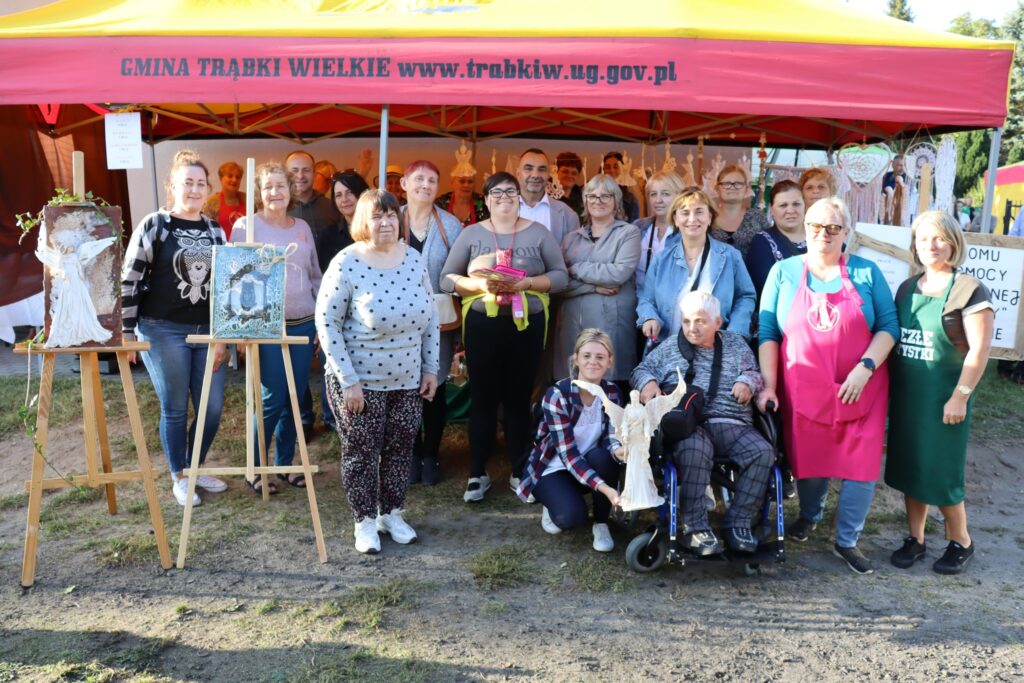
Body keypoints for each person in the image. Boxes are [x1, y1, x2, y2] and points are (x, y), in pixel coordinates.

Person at [758, 196, 899, 575]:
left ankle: (847, 540)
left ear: (846, 233)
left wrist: (865, 367)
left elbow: (889, 327)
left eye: (833, 227)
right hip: (804, 391)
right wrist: (769, 386)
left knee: (860, 465)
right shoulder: (784, 272)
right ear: (805, 229)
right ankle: (809, 515)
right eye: (816, 226)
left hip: (861, 388)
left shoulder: (867, 273)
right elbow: (769, 332)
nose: (824, 233)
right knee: (810, 462)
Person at [316, 189, 439, 554]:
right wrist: (348, 380)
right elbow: (327, 324)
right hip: (360, 381)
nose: (385, 223)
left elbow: (430, 319)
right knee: (361, 453)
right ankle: (365, 522)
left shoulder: (414, 260)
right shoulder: (347, 262)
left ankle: (392, 513)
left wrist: (431, 368)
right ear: (362, 222)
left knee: (401, 448)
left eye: (390, 216)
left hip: (407, 379)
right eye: (376, 216)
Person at [440, 171, 568, 503]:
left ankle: (520, 470)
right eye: (496, 192)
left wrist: (525, 284)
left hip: (526, 327)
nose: (504, 197)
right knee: (482, 398)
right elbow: (447, 278)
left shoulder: (539, 233)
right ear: (486, 198)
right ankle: (476, 473)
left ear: (519, 197)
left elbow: (560, 276)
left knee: (518, 398)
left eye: (511, 191)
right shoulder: (470, 234)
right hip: (483, 328)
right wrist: (482, 284)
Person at [885, 211, 994, 575]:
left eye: (939, 238)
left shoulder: (969, 290)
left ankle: (961, 540)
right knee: (911, 466)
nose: (931, 246)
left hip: (945, 398)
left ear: (953, 242)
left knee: (941, 472)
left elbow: (979, 351)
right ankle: (915, 538)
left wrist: (960, 395)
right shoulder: (906, 288)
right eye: (923, 238)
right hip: (908, 396)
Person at [121, 150, 228, 507]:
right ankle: (179, 476)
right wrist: (125, 332)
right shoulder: (156, 224)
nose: (195, 189)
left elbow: (227, 287)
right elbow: (130, 279)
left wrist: (224, 336)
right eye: (188, 183)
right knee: (175, 408)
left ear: (208, 189)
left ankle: (194, 468)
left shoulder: (215, 230)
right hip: (162, 329)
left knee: (212, 408)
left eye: (200, 183)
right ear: (172, 186)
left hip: (208, 332)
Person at [632, 291, 772, 555]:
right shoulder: (671, 346)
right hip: (688, 425)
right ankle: (695, 527)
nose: (692, 328)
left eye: (700, 321)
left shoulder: (737, 346)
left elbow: (754, 373)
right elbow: (641, 370)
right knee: (696, 450)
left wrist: (748, 382)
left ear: (718, 322)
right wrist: (648, 382)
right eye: (686, 321)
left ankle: (738, 522)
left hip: (730, 420)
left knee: (762, 452)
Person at [233, 162, 322, 493]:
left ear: (291, 190)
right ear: (259, 191)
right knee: (271, 397)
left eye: (281, 186)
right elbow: (234, 281)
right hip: (265, 327)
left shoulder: (302, 228)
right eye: (268, 186)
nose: (275, 192)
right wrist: (242, 332)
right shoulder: (246, 227)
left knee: (295, 398)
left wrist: (319, 320)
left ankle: (285, 464)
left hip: (303, 322)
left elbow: (314, 274)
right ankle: (255, 468)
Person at [518, 328, 624, 552]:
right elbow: (569, 455)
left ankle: (601, 522)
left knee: (606, 458)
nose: (592, 362)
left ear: (609, 361)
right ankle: (552, 502)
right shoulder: (557, 395)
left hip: (587, 462)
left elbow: (611, 434)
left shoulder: (612, 392)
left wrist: (618, 450)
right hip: (552, 467)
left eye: (600, 357)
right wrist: (606, 488)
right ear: (576, 358)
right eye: (586, 356)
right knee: (570, 518)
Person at [400, 160, 463, 485]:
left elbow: (460, 271)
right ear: (404, 183)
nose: (425, 185)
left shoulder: (451, 226)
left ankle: (430, 456)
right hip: (396, 321)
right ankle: (411, 452)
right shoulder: (391, 219)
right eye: (419, 179)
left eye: (432, 180)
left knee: (433, 387)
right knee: (404, 389)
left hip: (439, 323)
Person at [636, 187, 756, 345]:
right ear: (676, 219)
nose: (692, 219)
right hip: (668, 348)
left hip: (717, 348)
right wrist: (650, 317)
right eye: (685, 213)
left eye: (699, 212)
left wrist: (735, 331)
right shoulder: (661, 259)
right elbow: (646, 299)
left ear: (710, 217)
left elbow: (745, 297)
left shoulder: (730, 256)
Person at [557, 174, 641, 386]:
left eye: (606, 196)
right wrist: (593, 286)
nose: (598, 201)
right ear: (585, 201)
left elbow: (619, 273)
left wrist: (576, 268)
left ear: (617, 201)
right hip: (573, 326)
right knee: (573, 386)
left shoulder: (629, 233)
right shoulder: (571, 238)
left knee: (611, 391)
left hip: (611, 325)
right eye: (592, 196)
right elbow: (560, 283)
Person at [286, 150, 341, 438]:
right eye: (294, 170)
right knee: (297, 361)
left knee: (328, 356)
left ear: (315, 172)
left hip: (329, 292)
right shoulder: (281, 207)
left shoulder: (329, 207)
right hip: (295, 297)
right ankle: (303, 418)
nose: (300, 176)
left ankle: (332, 415)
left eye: (305, 170)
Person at [315, 170, 370, 433]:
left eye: (350, 192)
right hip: (339, 315)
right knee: (337, 365)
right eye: (338, 195)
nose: (345, 199)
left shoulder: (376, 232)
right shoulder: (328, 235)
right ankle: (335, 419)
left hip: (370, 316)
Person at [744, 180, 807, 299]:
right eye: (783, 205)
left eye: (796, 204)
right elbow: (763, 291)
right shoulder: (761, 243)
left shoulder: (821, 237)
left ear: (804, 205)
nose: (790, 210)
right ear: (772, 210)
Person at [516, 148, 581, 248]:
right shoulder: (500, 209)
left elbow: (575, 259)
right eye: (528, 168)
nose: (535, 175)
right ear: (518, 174)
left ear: (549, 174)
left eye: (542, 169)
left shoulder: (568, 215)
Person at [634, 171, 685, 292]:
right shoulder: (638, 226)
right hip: (637, 303)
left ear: (679, 196)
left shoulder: (688, 231)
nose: (658, 200)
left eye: (665, 194)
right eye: (653, 194)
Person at [710, 164, 770, 257]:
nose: (732, 187)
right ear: (717, 188)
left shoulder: (758, 217)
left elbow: (771, 248)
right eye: (726, 183)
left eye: (738, 183)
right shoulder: (708, 217)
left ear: (746, 188)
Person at [435, 142, 489, 227]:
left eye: (470, 182)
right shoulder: (440, 204)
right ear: (452, 183)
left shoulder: (483, 203)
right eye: (462, 181)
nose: (466, 185)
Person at [202, 161, 245, 241]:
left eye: (238, 177)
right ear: (221, 179)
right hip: (222, 249)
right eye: (230, 176)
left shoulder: (247, 199)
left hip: (245, 250)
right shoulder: (212, 202)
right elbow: (206, 230)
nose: (234, 180)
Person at [602, 152, 641, 223]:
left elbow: (634, 228)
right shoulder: (596, 196)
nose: (612, 170)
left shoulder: (631, 200)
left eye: (616, 167)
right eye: (608, 167)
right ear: (603, 170)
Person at [555, 151, 585, 221]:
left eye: (574, 173)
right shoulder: (546, 196)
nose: (569, 176)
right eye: (565, 171)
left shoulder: (583, 197)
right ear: (556, 172)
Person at [883, 155, 909, 225]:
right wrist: (889, 190)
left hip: (900, 213)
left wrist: (901, 182)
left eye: (904, 165)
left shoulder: (908, 178)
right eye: (900, 165)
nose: (902, 168)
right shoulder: (887, 175)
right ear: (893, 165)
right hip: (885, 212)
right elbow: (883, 188)